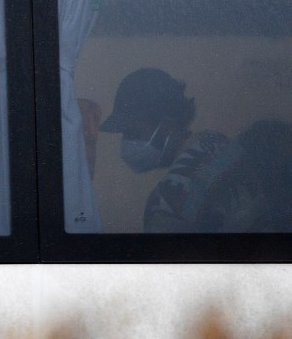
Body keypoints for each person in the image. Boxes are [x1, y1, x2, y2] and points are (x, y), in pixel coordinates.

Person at [100, 68, 235, 233]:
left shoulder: (167, 202)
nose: (127, 143)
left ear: (168, 124)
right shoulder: (220, 145)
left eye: (133, 133)